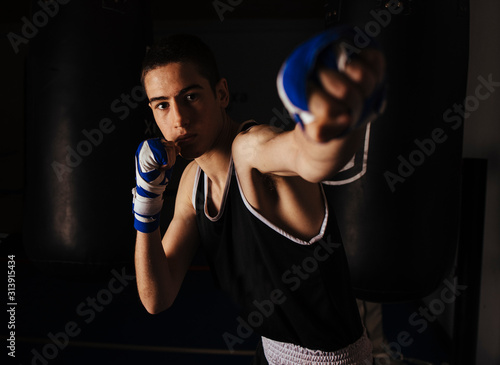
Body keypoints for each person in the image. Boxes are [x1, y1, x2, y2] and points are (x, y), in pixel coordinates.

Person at [132, 33, 385, 364]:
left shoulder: (251, 149)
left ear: (221, 93)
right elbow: (156, 297)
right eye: (162, 105)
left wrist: (335, 118)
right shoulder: (193, 181)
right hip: (270, 351)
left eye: (191, 96)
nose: (178, 119)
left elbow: (309, 158)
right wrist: (146, 202)